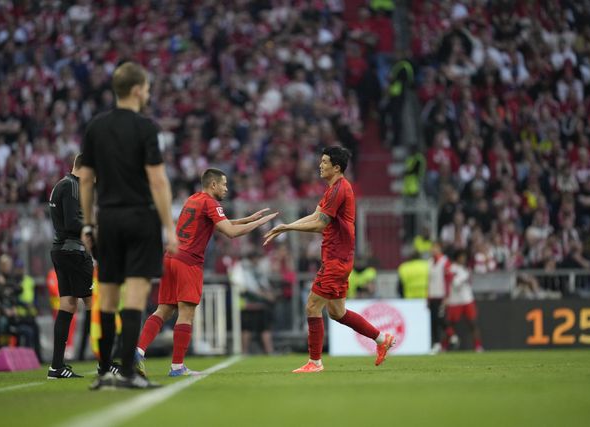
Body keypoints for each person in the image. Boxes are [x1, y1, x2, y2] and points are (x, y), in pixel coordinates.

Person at [79, 62, 178, 390]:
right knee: (134, 297)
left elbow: (86, 180)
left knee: (107, 298)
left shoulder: (95, 127)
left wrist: (89, 224)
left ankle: (104, 373)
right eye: (147, 88)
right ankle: (127, 373)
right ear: (137, 90)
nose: (148, 93)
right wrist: (169, 227)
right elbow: (157, 180)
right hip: (140, 218)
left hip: (107, 219)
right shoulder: (145, 127)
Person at [263, 146, 395, 373]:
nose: (320, 165)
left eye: (324, 162)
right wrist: (287, 227)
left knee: (312, 305)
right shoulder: (333, 189)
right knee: (337, 312)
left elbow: (320, 224)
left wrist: (288, 228)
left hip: (336, 260)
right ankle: (382, 339)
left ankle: (315, 362)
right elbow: (316, 216)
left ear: (337, 167)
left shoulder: (340, 189)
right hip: (339, 258)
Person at [135, 168, 277, 376]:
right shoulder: (211, 203)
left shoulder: (193, 199)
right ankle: (177, 367)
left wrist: (247, 219)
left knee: (163, 310)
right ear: (213, 185)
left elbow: (218, 225)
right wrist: (259, 223)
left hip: (170, 258)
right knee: (186, 313)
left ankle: (138, 352)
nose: (226, 188)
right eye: (224, 184)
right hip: (188, 261)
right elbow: (230, 232)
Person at [47, 154, 93, 379]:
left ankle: (56, 366)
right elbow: (72, 222)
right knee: (95, 303)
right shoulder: (73, 186)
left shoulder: (61, 185)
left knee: (67, 305)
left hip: (61, 250)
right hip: (74, 251)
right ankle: (105, 363)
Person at [443, 250, 483, 352]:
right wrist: (464, 278)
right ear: (457, 257)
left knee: (473, 323)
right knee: (450, 324)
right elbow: (455, 284)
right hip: (455, 301)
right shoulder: (452, 268)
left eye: (464, 257)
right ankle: (444, 346)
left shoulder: (466, 269)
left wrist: (465, 278)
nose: (463, 259)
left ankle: (478, 346)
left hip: (467, 299)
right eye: (461, 257)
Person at [427, 241, 452, 353]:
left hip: (441, 295)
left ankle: (451, 335)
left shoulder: (445, 261)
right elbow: (428, 281)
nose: (433, 250)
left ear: (440, 249)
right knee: (433, 320)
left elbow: (448, 279)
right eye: (432, 248)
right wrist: (427, 296)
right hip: (432, 295)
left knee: (440, 318)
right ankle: (437, 343)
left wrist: (447, 295)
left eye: (435, 248)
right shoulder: (429, 262)